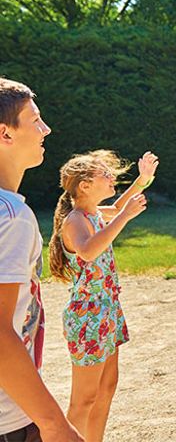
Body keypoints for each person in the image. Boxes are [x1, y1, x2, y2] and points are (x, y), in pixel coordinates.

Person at [48, 150, 158, 442]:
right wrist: (123, 216)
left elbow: (121, 206)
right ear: (84, 186)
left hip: (107, 311)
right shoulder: (74, 220)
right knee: (83, 400)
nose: (112, 178)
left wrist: (143, 179)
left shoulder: (93, 213)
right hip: (88, 317)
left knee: (106, 388)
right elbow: (88, 250)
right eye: (105, 175)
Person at [0, 78, 83, 442]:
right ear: (5, 134)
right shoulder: (11, 217)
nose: (46, 129)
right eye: (35, 120)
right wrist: (54, 424)